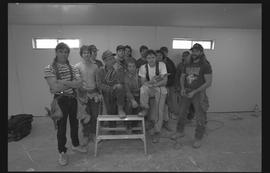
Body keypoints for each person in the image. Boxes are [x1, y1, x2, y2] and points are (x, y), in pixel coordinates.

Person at [44, 43, 87, 166]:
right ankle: (62, 152)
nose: (64, 54)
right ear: (56, 52)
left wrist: (62, 81)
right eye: (61, 51)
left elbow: (79, 84)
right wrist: (71, 83)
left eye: (66, 52)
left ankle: (75, 144)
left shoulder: (73, 68)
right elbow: (54, 87)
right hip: (60, 100)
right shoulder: (49, 68)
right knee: (61, 128)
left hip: (73, 99)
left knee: (75, 124)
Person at [171, 43, 212, 149]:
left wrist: (195, 91)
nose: (194, 53)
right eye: (193, 51)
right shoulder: (187, 63)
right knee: (181, 113)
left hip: (198, 93)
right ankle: (180, 132)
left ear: (201, 52)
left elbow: (208, 82)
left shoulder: (205, 65)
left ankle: (198, 138)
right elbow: (182, 77)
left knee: (200, 116)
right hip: (186, 91)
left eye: (197, 51)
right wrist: (183, 88)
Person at [74, 45, 103, 147]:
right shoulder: (77, 66)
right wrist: (82, 91)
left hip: (94, 94)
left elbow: (98, 81)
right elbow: (77, 82)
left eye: (88, 52)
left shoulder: (95, 66)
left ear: (91, 54)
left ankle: (94, 134)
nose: (86, 54)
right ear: (81, 54)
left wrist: (99, 93)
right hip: (83, 95)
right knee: (85, 116)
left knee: (95, 115)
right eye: (84, 53)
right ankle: (86, 135)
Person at [138, 49, 168, 143]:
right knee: (143, 89)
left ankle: (157, 132)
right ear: (145, 59)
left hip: (160, 88)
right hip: (150, 86)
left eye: (153, 57)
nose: (151, 59)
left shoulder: (162, 65)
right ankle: (145, 108)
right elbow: (143, 82)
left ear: (156, 58)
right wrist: (151, 83)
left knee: (159, 111)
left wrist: (154, 84)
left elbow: (164, 81)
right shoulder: (143, 67)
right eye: (148, 58)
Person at [96, 50, 126, 120]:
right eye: (110, 59)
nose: (113, 60)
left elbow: (122, 81)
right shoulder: (100, 70)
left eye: (113, 58)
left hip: (118, 93)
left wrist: (117, 70)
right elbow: (99, 85)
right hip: (106, 93)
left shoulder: (119, 68)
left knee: (119, 87)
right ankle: (111, 128)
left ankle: (120, 109)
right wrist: (111, 88)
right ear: (105, 61)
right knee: (110, 112)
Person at [175, 51, 195, 122]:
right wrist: (177, 87)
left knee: (192, 104)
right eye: (183, 56)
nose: (185, 57)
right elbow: (177, 77)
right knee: (182, 104)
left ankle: (190, 117)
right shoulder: (180, 65)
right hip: (182, 88)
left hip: (191, 88)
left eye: (187, 55)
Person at [124, 57, 142, 133]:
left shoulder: (140, 75)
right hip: (130, 96)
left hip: (139, 95)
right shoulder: (125, 76)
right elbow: (127, 91)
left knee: (139, 108)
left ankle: (135, 126)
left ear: (136, 67)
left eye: (133, 66)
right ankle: (128, 124)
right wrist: (133, 100)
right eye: (129, 66)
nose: (132, 68)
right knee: (129, 105)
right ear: (127, 67)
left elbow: (142, 86)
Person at [159, 47, 177, 119]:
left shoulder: (169, 62)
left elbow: (173, 72)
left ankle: (171, 113)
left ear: (167, 53)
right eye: (162, 53)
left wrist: (166, 75)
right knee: (162, 101)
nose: (163, 54)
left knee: (169, 100)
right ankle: (163, 116)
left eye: (164, 52)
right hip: (160, 85)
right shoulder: (156, 62)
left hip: (169, 84)